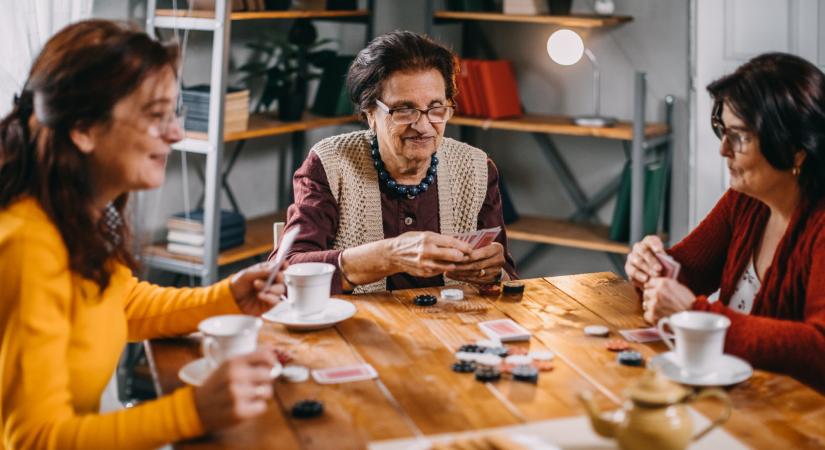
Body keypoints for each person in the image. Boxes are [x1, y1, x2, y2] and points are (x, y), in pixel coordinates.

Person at [0, 20, 288, 449]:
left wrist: (228, 297)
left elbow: (124, 305)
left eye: (174, 114)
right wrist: (191, 411)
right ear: (83, 129)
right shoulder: (28, 244)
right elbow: (33, 440)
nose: (175, 133)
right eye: (155, 116)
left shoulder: (74, 216)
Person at [625, 53, 825, 393]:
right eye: (723, 131)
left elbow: (818, 349)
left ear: (795, 151)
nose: (722, 149)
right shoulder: (746, 201)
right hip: (741, 401)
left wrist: (697, 315)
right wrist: (650, 269)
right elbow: (685, 271)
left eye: (739, 136)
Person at [279, 30, 516, 294]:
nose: (423, 125)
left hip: (454, 329)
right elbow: (285, 273)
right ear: (370, 113)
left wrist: (492, 272)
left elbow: (505, 277)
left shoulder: (477, 168)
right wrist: (389, 255)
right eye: (404, 110)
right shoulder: (330, 164)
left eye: (436, 109)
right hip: (359, 329)